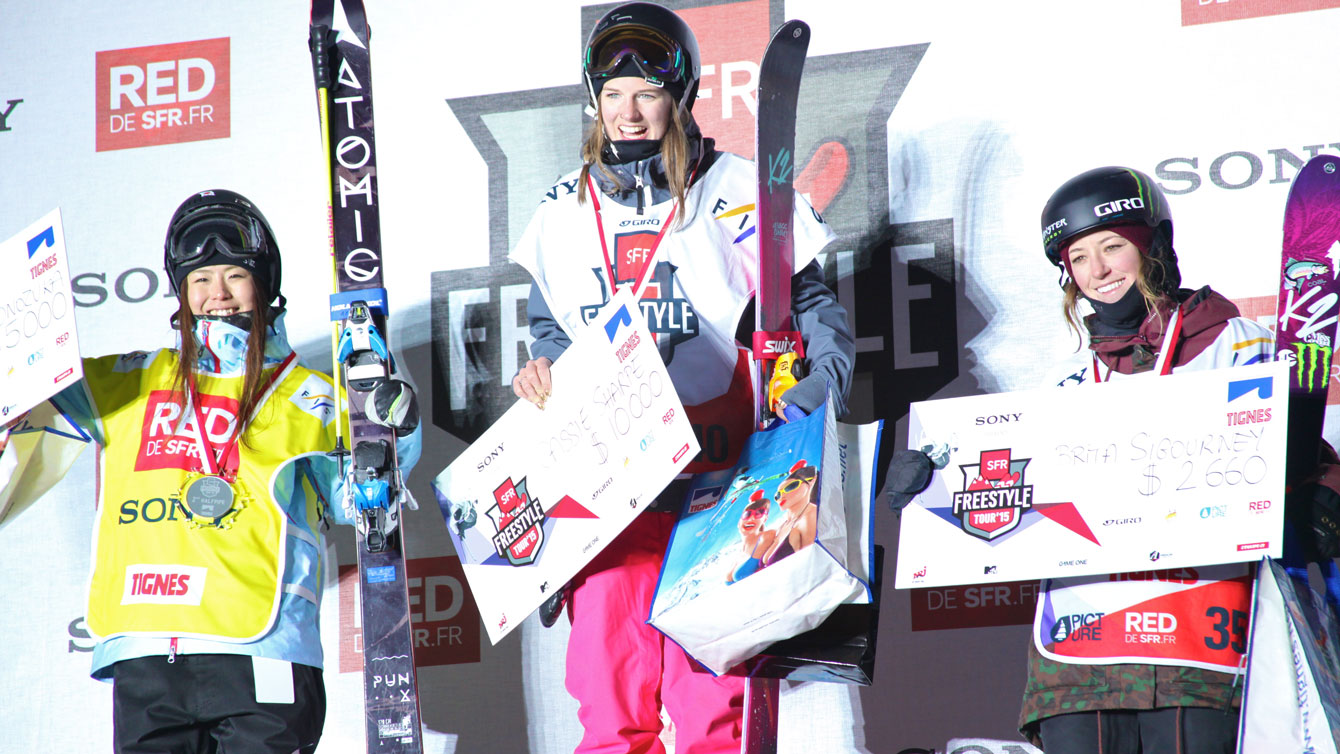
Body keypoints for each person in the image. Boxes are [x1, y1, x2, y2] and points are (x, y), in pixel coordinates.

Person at [508, 3, 854, 750]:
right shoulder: (561, 212)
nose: (628, 113)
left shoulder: (737, 189)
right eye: (612, 95)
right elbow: (547, 330)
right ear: (593, 101)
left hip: (720, 479)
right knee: (610, 705)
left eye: (646, 94)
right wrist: (540, 373)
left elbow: (817, 314)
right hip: (613, 496)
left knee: (711, 714)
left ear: (680, 95)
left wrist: (809, 399)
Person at [0, 189, 421, 754]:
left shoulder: (311, 399)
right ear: (180, 292)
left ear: (264, 286)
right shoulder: (131, 380)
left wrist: (393, 427)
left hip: (264, 650)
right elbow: (24, 403)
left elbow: (362, 504)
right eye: (200, 279)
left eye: (233, 275)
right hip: (147, 657)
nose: (216, 294)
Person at [1017, 167, 1273, 752]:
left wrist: (1319, 495)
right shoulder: (1066, 384)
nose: (1098, 272)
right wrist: (939, 483)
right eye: (1079, 258)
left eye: (1113, 247)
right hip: (1082, 657)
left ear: (1154, 245)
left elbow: (1304, 463)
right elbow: (1020, 506)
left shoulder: (1239, 346)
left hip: (1197, 648)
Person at [761, 459, 819, 566]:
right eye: (777, 495)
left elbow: (813, 565)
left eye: (790, 487)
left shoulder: (810, 516)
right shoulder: (785, 522)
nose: (781, 496)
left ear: (811, 482)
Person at [726, 489, 774, 584]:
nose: (751, 518)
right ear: (739, 523)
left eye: (759, 513)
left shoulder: (767, 536)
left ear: (765, 519)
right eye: (747, 514)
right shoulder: (740, 551)